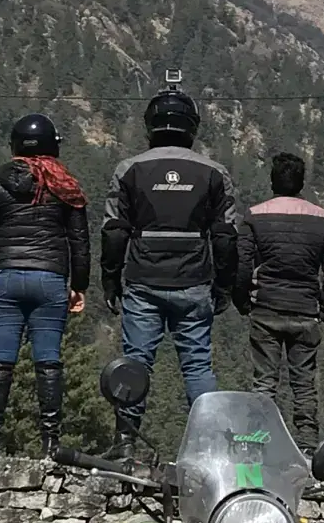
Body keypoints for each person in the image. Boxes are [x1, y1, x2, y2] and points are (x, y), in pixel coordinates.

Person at [100, 83, 247, 451]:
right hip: (194, 282)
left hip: (143, 281)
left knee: (136, 364)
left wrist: (110, 280)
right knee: (197, 366)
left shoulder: (129, 170)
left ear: (150, 125)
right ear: (192, 127)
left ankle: (125, 443)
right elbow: (226, 238)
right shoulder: (214, 173)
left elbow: (115, 232)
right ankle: (209, 445)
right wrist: (224, 287)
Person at [0, 112, 89, 458]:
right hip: (49, 279)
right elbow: (79, 241)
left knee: (1, 360)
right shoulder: (65, 185)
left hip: (4, 279)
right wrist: (79, 285)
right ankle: (51, 442)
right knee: (48, 361)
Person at [245, 151, 324, 449]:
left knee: (264, 383)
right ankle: (307, 445)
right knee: (304, 384)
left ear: (273, 181)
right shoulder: (322, 219)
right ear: (301, 182)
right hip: (305, 310)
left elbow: (241, 263)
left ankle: (259, 444)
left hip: (265, 308)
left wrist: (243, 300)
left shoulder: (255, 215)